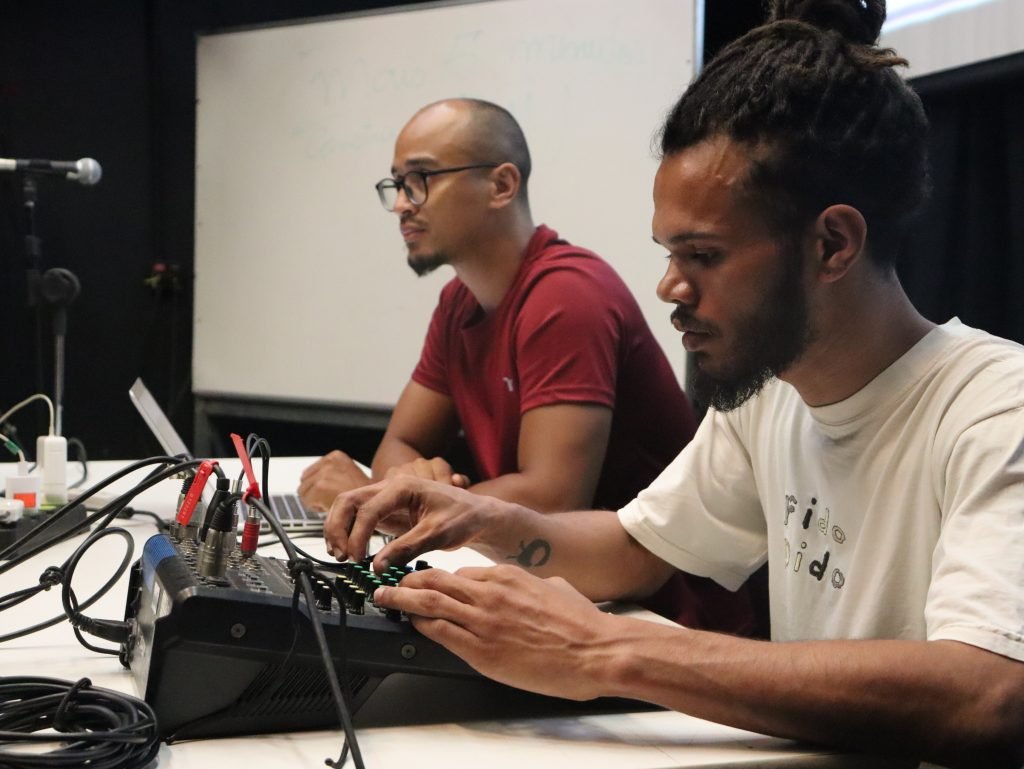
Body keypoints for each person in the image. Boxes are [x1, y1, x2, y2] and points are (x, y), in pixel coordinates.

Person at [321, 2, 1024, 767]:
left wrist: (602, 647)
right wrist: (474, 517)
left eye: (704, 255)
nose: (669, 287)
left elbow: (986, 691)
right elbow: (634, 546)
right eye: (668, 252)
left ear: (832, 244)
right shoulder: (770, 395)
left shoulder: (995, 407)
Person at [301, 97, 759, 633]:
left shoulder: (566, 295)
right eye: (398, 184)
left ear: (501, 185)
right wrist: (405, 482)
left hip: (662, 615)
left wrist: (392, 502)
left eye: (422, 178)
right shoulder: (459, 303)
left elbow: (553, 498)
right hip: (566, 594)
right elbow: (397, 448)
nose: (403, 203)